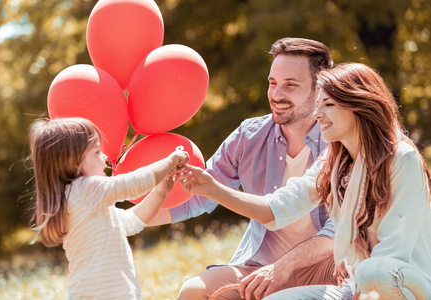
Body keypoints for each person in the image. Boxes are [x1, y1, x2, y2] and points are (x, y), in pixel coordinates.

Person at [177, 63, 431, 299]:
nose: (317, 113)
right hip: (356, 286)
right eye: (317, 104)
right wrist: (211, 188)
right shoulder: (334, 162)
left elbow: (391, 257)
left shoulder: (401, 160)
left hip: (401, 285)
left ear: (358, 105)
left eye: (328, 105)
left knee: (371, 274)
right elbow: (276, 208)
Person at [150, 37, 337, 299]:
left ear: (320, 89)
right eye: (272, 83)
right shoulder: (249, 136)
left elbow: (340, 231)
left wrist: (285, 267)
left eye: (290, 85)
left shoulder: (339, 142)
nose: (277, 94)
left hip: (329, 268)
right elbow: (197, 195)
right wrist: (129, 219)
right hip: (260, 267)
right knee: (193, 292)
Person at [27, 117, 189, 299]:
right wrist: (170, 160)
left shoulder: (80, 199)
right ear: (73, 162)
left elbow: (130, 222)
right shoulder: (84, 189)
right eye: (96, 152)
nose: (104, 157)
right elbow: (134, 183)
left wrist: (161, 191)